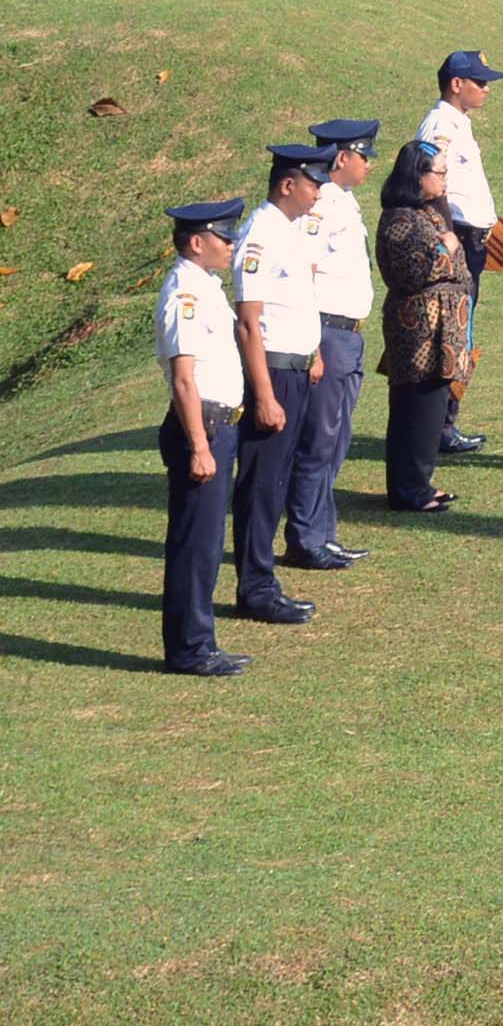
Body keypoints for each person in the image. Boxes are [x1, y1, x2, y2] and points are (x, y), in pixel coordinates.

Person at [157, 197, 265, 675]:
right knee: (194, 545)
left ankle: (199, 642)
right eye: (223, 236)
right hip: (201, 426)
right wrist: (199, 445)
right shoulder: (185, 292)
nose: (231, 243)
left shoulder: (206, 286)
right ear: (196, 242)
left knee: (204, 542)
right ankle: (189, 648)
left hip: (220, 423)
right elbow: (183, 378)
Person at [229, 147, 328, 596]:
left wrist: (314, 354)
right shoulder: (259, 236)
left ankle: (264, 577)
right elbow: (250, 323)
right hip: (272, 372)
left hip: (296, 368)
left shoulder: (287, 231)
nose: (319, 194)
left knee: (278, 478)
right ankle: (255, 586)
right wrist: (265, 396)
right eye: (313, 185)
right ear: (288, 185)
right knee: (261, 484)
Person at [292, 115, 385, 569]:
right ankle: (306, 538)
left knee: (337, 437)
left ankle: (322, 532)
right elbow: (305, 275)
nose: (371, 163)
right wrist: (311, 346)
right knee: (319, 441)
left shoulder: (342, 200)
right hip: (327, 333)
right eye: (364, 155)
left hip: (348, 333)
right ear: (342, 157)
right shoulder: (322, 205)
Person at [412, 51, 503, 457]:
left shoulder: (459, 124)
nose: (485, 89)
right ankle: (439, 427)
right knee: (453, 332)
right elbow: (433, 186)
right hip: (459, 239)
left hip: (477, 239)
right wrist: (447, 235)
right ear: (456, 84)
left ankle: (445, 422)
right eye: (478, 81)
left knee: (462, 332)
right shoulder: (440, 127)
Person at [374, 145, 473, 513]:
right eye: (439, 173)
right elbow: (411, 274)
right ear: (418, 176)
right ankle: (408, 489)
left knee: (431, 410)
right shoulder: (400, 220)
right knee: (414, 410)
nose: (444, 180)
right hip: (419, 333)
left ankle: (420, 483)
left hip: (440, 332)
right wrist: (446, 250)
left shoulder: (426, 213)